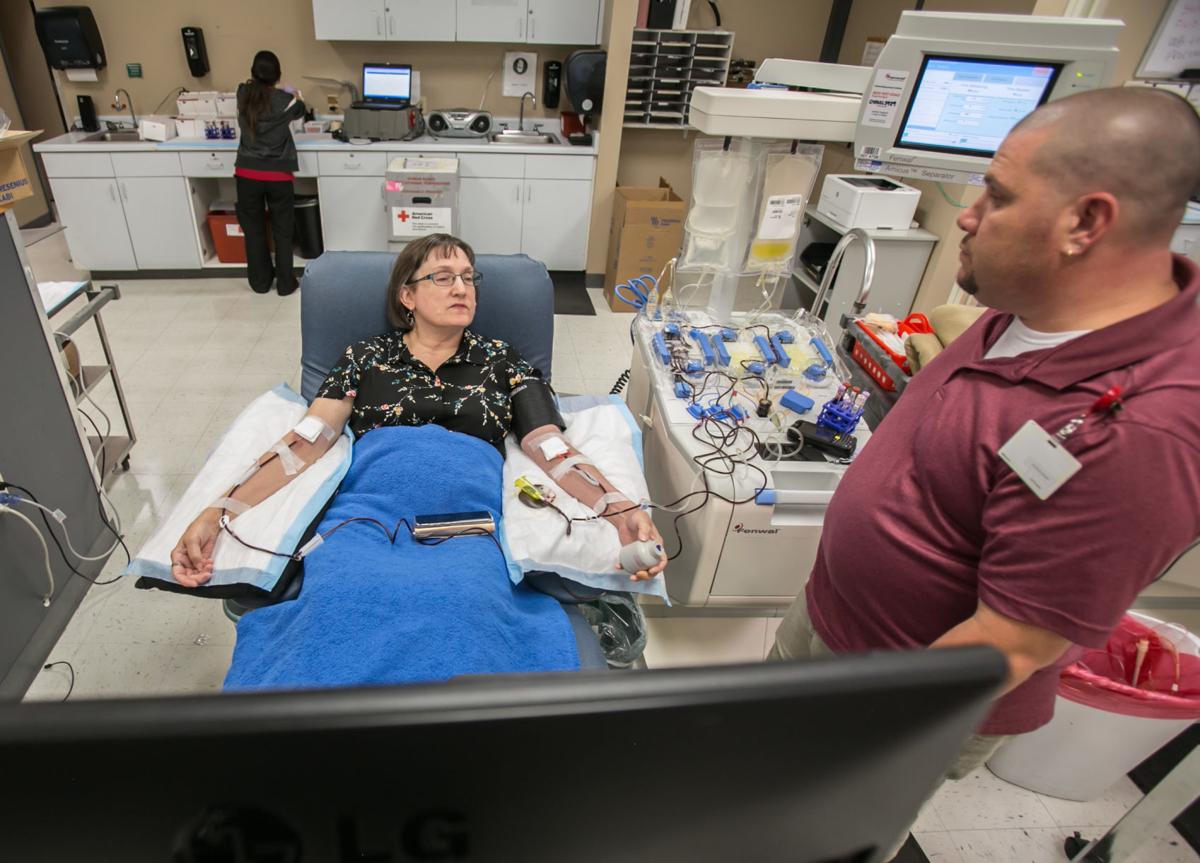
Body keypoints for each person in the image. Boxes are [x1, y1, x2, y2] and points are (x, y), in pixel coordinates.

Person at [769, 87, 1200, 858]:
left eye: (996, 195)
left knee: (816, 836)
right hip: (832, 623)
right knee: (757, 789)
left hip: (898, 701)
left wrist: (854, 737)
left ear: (1086, 222)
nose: (965, 214)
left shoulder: (1141, 432)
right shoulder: (1034, 297)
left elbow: (1011, 647)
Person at [169, 234, 666, 681]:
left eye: (469, 279)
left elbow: (550, 446)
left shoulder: (505, 360)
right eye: (443, 277)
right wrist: (219, 512)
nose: (462, 289)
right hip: (364, 517)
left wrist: (617, 507)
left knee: (465, 602)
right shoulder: (365, 356)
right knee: (339, 601)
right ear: (407, 296)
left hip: (469, 522)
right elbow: (307, 440)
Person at [234, 50, 306, 296]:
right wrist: (293, 94)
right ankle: (286, 284)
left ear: (253, 73)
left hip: (246, 173)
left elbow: (253, 94)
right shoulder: (284, 100)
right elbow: (301, 109)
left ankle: (260, 283)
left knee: (253, 230)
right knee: (282, 231)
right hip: (278, 175)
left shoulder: (242, 94)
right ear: (278, 76)